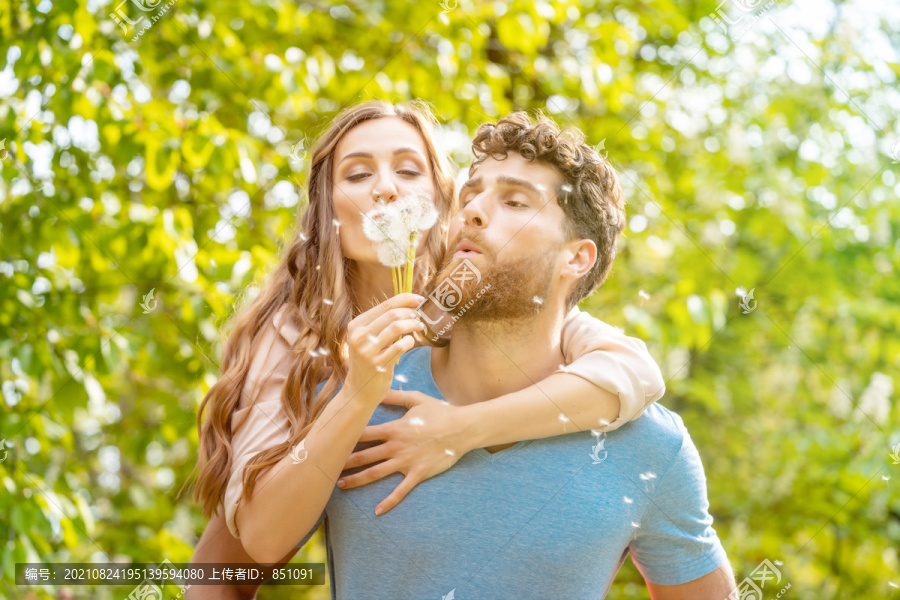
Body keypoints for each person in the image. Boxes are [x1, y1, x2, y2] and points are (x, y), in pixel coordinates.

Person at [186, 101, 666, 598]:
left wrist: (459, 430)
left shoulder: (469, 291)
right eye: (356, 175)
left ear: (443, 199)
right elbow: (237, 556)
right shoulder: (296, 331)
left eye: (409, 169)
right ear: (326, 208)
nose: (385, 187)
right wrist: (356, 393)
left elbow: (633, 372)